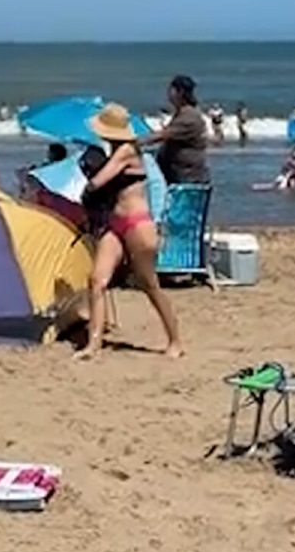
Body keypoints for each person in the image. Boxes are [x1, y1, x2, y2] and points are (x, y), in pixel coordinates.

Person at [78, 106, 183, 358]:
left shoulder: (126, 152)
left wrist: (88, 169)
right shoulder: (116, 151)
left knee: (149, 285)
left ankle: (175, 341)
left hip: (137, 224)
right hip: (116, 224)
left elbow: (97, 182)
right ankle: (93, 344)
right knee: (97, 280)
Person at [154, 77, 210, 189]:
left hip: (187, 176)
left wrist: (136, 141)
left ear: (180, 93)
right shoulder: (182, 112)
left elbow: (163, 135)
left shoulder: (189, 116)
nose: (168, 94)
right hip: (181, 174)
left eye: (171, 90)